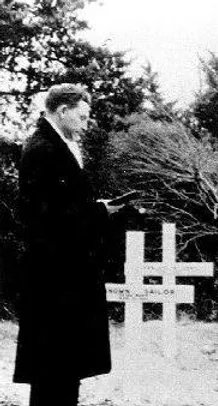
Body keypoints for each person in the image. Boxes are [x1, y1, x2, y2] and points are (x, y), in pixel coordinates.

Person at [13, 84, 125, 406]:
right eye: (83, 115)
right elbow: (49, 217)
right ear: (63, 111)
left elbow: (64, 204)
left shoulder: (56, 145)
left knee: (63, 370)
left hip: (62, 276)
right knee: (54, 373)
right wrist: (100, 211)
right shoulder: (44, 150)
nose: (88, 123)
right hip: (55, 278)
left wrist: (95, 207)